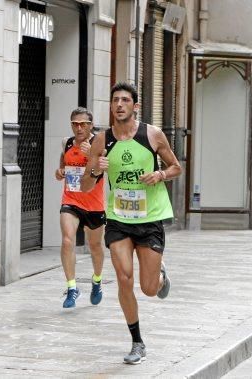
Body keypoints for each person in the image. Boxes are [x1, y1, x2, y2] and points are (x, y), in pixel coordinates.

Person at [81, 82, 181, 364]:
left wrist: (160, 176)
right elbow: (87, 186)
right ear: (111, 106)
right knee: (124, 278)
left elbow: (176, 167)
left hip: (150, 219)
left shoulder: (152, 134)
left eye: (125, 100)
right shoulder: (102, 141)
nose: (120, 105)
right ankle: (137, 342)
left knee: (148, 288)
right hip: (118, 219)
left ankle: (159, 276)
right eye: (115, 100)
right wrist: (93, 169)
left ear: (135, 106)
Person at [55, 107, 106, 308]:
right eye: (75, 124)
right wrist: (60, 172)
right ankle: (72, 288)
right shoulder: (66, 142)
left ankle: (97, 280)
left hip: (94, 204)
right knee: (67, 240)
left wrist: (92, 156)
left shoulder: (98, 144)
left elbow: (104, 168)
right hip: (71, 200)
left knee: (95, 246)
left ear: (90, 125)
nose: (79, 128)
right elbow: (64, 161)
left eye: (83, 124)